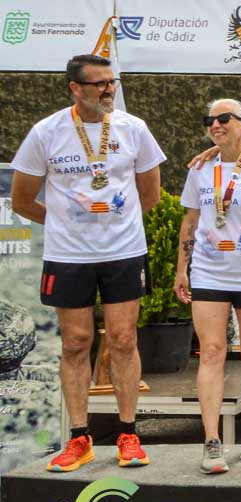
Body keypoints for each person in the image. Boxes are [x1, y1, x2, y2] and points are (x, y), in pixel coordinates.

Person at [10, 54, 166, 471]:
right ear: (75, 89)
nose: (108, 90)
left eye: (112, 82)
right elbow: (23, 200)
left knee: (123, 339)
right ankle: (79, 438)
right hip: (68, 255)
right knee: (76, 342)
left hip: (123, 252)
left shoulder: (134, 128)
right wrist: (66, 224)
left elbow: (150, 194)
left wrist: (115, 224)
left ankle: (129, 434)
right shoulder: (47, 132)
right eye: (99, 84)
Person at [175, 100, 241, 473]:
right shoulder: (200, 168)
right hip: (209, 271)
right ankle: (211, 439)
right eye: (210, 120)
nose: (215, 125)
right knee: (212, 351)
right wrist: (181, 269)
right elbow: (191, 220)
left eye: (224, 119)